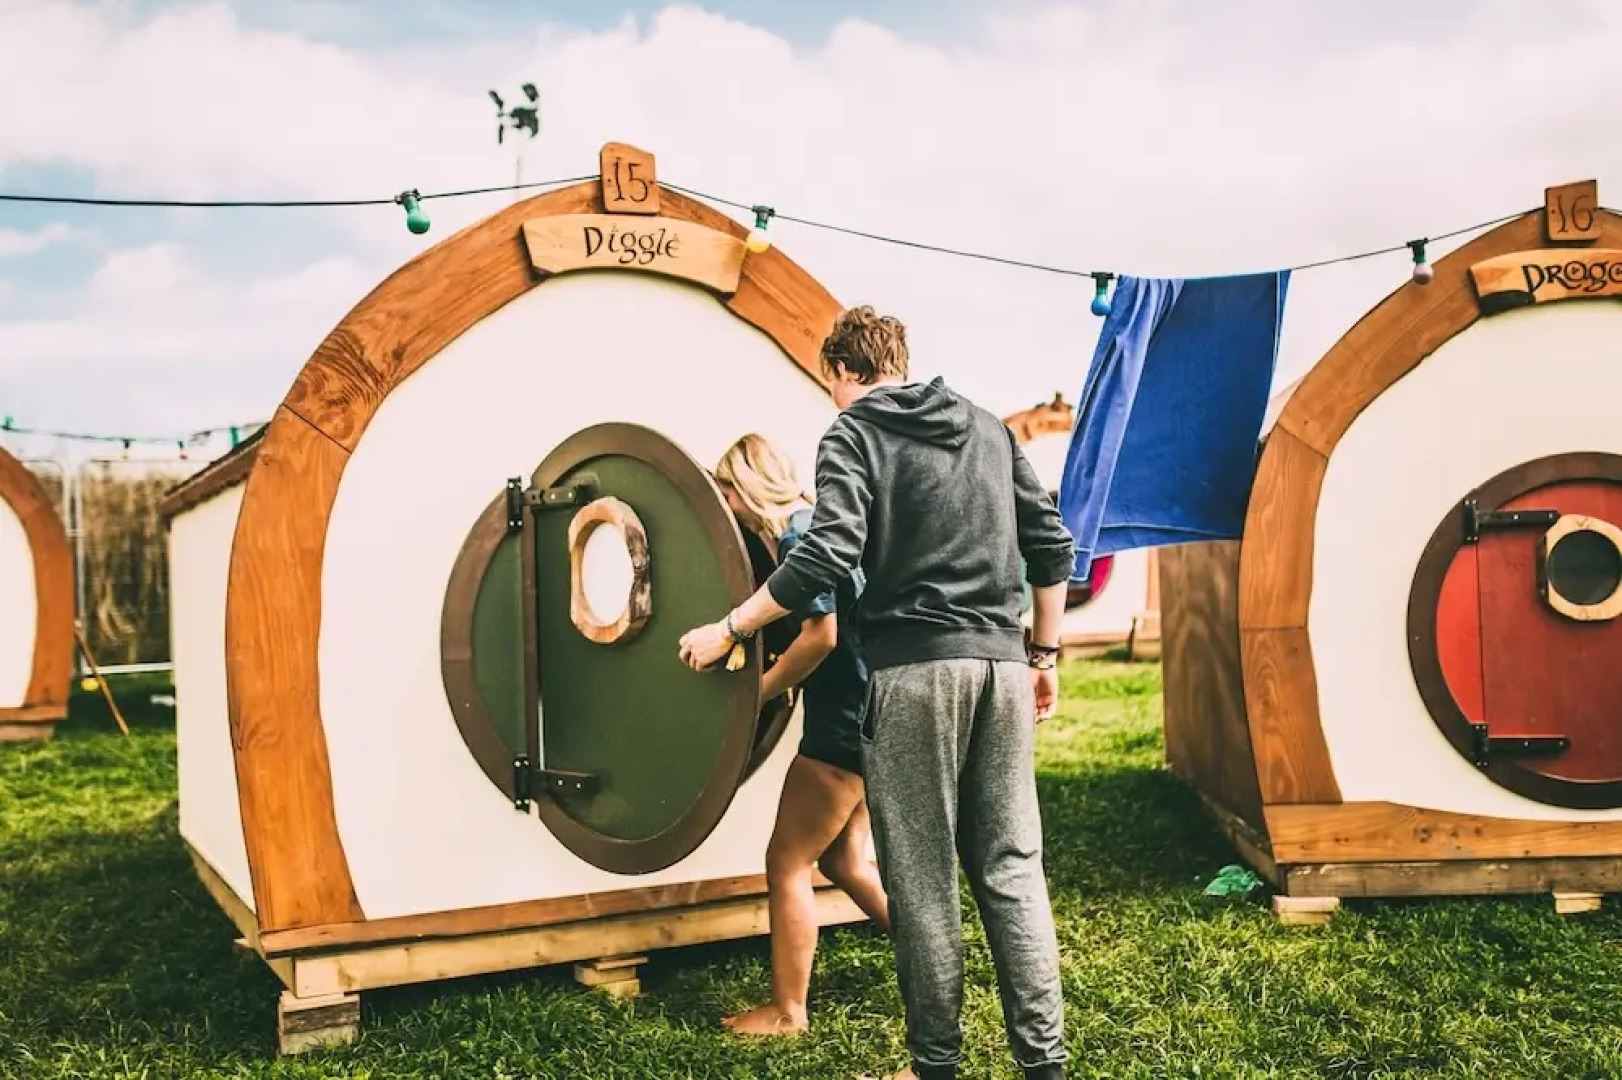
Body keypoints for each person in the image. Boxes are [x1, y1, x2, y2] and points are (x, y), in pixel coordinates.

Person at [678, 307, 1075, 1080]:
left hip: (915, 676)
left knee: (921, 880)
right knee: (1012, 870)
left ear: (842, 372)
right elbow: (1052, 546)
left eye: (831, 384)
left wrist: (731, 626)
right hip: (1000, 667)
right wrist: (1045, 655)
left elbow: (826, 553)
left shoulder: (854, 433)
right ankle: (1045, 1066)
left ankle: (935, 1067)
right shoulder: (990, 429)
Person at [711, 433, 892, 1037]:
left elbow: (823, 635)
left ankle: (788, 1011)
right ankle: (940, 958)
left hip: (843, 724)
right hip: (880, 710)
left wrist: (758, 691)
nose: (730, 513)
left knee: (787, 860)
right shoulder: (831, 521)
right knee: (843, 860)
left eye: (727, 498)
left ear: (742, 491)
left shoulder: (796, 536)